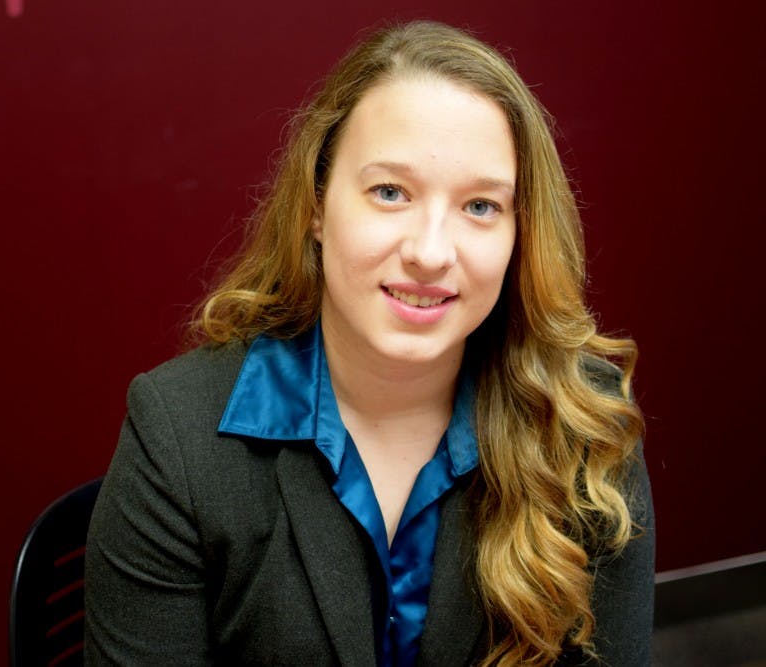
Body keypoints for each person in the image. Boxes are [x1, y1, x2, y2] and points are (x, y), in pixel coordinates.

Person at [84, 20, 653, 667]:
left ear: (521, 233)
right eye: (390, 192)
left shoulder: (583, 424)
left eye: (480, 206)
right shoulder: (179, 435)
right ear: (317, 205)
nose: (431, 252)